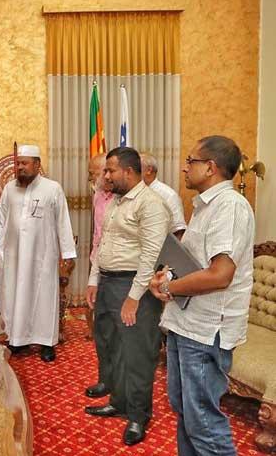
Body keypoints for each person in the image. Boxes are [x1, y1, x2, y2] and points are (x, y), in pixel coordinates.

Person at [150, 136, 254, 455]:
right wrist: (168, 276)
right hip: (186, 323)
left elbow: (220, 275)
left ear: (210, 167)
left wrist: (169, 288)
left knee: (203, 423)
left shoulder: (230, 206)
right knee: (185, 412)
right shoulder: (205, 206)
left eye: (190, 161)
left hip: (207, 330)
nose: (185, 167)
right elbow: (195, 263)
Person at [84, 147, 169, 446]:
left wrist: (134, 297)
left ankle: (137, 415)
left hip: (134, 287)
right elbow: (101, 243)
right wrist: (94, 279)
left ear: (129, 172)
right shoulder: (117, 202)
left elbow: (151, 255)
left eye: (110, 170)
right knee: (110, 346)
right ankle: (118, 402)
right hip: (108, 283)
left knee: (136, 353)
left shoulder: (151, 204)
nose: (105, 176)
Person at [0, 144, 76, 362]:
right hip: (14, 256)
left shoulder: (52, 189)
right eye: (18, 164)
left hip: (42, 256)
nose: (20, 167)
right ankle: (17, 339)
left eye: (25, 163)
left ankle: (46, 342)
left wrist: (67, 253)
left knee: (43, 297)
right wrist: (0, 244)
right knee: (14, 296)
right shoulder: (10, 189)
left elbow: (62, 221)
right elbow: (1, 219)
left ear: (37, 164)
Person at [84, 152, 115, 399]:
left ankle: (121, 387)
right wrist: (93, 274)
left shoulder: (126, 198)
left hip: (122, 274)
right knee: (102, 330)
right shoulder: (97, 195)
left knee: (120, 335)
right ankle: (106, 379)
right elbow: (97, 236)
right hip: (100, 267)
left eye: (99, 172)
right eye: (93, 173)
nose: (95, 178)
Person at [141, 152, 187, 236]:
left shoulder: (168, 195)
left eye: (136, 168)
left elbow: (178, 230)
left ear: (149, 170)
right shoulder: (133, 192)